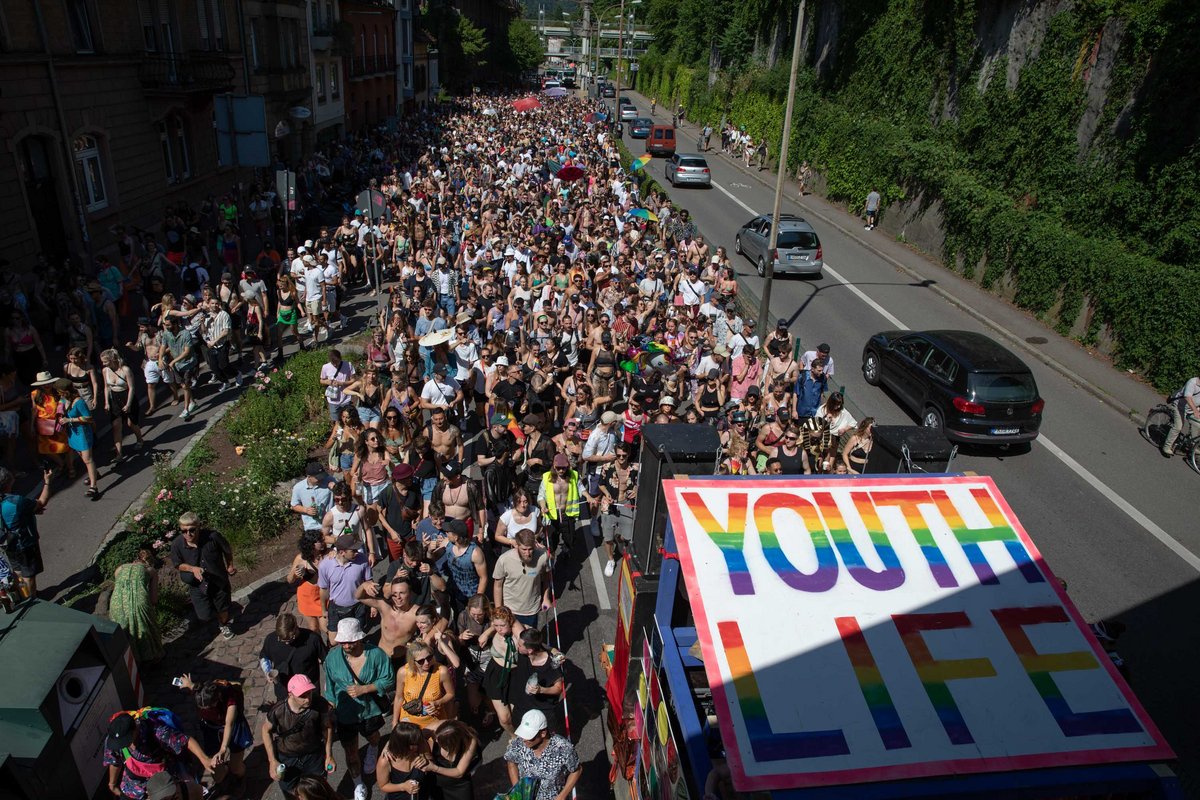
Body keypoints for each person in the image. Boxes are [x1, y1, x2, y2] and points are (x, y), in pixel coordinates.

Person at [324, 617, 395, 800]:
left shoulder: (376, 654)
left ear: (360, 638)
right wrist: (330, 707)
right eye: (343, 642)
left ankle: (373, 747)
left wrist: (366, 688)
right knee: (351, 752)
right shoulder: (332, 657)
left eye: (351, 641)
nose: (346, 646)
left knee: (373, 736)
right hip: (346, 714)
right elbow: (330, 685)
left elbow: (389, 679)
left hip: (370, 710)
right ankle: (358, 784)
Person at [104, 710, 212, 800]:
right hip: (133, 790)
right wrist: (112, 784)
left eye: (126, 741)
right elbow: (114, 760)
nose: (123, 745)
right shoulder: (115, 739)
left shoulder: (157, 732)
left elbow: (185, 741)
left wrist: (205, 759)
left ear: (134, 731)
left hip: (163, 787)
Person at [262, 674, 337, 800]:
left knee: (317, 790)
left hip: (313, 756)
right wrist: (272, 761)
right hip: (288, 758)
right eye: (302, 696)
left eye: (309, 693)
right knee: (290, 792)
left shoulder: (319, 704)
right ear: (291, 694)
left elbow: (327, 728)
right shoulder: (278, 710)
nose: (307, 699)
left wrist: (329, 756)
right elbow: (265, 730)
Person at [176, 674, 252, 793]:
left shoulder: (229, 697)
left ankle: (240, 778)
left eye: (209, 708)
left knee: (236, 768)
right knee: (217, 775)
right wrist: (188, 684)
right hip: (212, 731)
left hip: (233, 728)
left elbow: (229, 724)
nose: (206, 710)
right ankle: (225, 772)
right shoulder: (199, 692)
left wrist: (222, 749)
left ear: (217, 699)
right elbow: (193, 686)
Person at [168, 512, 236, 640]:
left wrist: (230, 565)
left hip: (218, 581)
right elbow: (177, 565)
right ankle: (215, 612)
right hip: (197, 585)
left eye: (192, 530)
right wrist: (192, 569)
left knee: (223, 609)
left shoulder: (213, 537)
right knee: (204, 615)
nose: (188, 534)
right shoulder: (177, 544)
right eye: (184, 531)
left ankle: (223, 624)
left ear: (199, 527)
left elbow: (227, 550)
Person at [504, 709, 582, 800]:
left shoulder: (563, 748)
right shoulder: (519, 743)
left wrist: (562, 796)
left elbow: (577, 770)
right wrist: (517, 790)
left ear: (543, 733)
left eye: (529, 736)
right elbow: (511, 761)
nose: (524, 739)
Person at [0, 465, 53, 598]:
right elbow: (42, 502)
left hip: (7, 543)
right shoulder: (16, 502)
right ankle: (31, 599)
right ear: (8, 482)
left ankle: (23, 594)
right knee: (29, 575)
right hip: (24, 543)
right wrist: (47, 481)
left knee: (17, 571)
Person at [109, 548, 164, 663]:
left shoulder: (120, 568)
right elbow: (154, 599)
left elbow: (118, 588)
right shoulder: (150, 570)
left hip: (117, 602)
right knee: (145, 627)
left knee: (123, 630)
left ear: (135, 560)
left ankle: (128, 661)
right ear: (150, 561)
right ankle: (150, 658)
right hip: (139, 602)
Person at [317, 533, 373, 644]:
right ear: (342, 552)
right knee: (333, 641)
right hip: (336, 607)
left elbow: (369, 582)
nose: (357, 552)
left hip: (357, 606)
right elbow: (323, 590)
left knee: (357, 639)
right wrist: (324, 610)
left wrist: (373, 605)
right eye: (353, 550)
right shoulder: (325, 565)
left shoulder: (362, 560)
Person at [510, 628, 566, 735]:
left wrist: (541, 690)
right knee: (521, 734)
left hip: (543, 709)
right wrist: (554, 649)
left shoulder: (551, 663)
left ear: (530, 650)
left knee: (545, 737)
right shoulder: (524, 652)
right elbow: (513, 622)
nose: (517, 646)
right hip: (521, 705)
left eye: (520, 645)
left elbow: (558, 688)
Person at [260, 612, 326, 704]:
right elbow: (264, 656)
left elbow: (326, 660)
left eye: (290, 638)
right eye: (282, 640)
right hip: (283, 690)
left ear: (296, 627)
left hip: (307, 692)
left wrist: (329, 682)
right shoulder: (271, 639)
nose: (287, 643)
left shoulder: (313, 639)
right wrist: (267, 671)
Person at [480, 606, 526, 735]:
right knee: (504, 718)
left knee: (518, 716)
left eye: (502, 625)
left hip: (515, 676)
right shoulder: (495, 629)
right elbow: (495, 625)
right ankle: (513, 737)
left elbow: (535, 644)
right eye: (496, 625)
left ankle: (524, 739)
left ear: (510, 622)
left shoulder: (520, 633)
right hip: (496, 673)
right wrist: (486, 633)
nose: (499, 629)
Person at [392, 640, 455, 730]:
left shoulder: (441, 671)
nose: (426, 663)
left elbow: (451, 694)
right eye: (421, 661)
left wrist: (437, 702)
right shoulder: (403, 672)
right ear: (412, 661)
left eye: (429, 658)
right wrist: (394, 721)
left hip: (434, 721)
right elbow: (399, 698)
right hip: (409, 720)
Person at [493, 530, 550, 628]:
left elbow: (546, 578)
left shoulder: (543, 556)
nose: (527, 553)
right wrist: (498, 610)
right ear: (517, 545)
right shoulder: (504, 560)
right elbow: (498, 585)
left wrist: (546, 598)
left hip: (531, 609)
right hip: (510, 610)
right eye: (524, 549)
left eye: (530, 549)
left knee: (528, 641)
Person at [597, 441, 638, 576]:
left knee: (628, 535)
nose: (621, 458)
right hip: (609, 505)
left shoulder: (634, 468)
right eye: (618, 455)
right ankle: (610, 559)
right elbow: (601, 484)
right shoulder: (607, 467)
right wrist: (607, 494)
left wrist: (636, 489)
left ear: (629, 455)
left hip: (626, 504)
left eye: (624, 456)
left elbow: (641, 483)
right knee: (607, 537)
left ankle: (619, 539)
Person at [101, 349, 146, 462]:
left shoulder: (125, 370)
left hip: (127, 397)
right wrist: (106, 402)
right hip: (114, 399)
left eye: (105, 361)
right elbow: (106, 387)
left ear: (112, 360)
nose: (103, 364)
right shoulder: (105, 370)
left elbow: (131, 388)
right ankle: (119, 454)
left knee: (131, 423)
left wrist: (128, 404)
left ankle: (140, 439)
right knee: (116, 426)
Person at [60, 378, 100, 498]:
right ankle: (95, 473)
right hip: (73, 433)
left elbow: (88, 418)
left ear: (65, 391)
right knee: (83, 457)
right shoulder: (64, 400)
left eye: (59, 391)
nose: (58, 394)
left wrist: (70, 419)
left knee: (88, 459)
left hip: (82, 433)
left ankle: (94, 487)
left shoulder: (79, 402)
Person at [423, 720, 479, 800]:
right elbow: (417, 740)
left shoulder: (469, 741)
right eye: (436, 740)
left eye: (442, 744)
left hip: (459, 784)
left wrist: (434, 768)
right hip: (437, 781)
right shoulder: (433, 728)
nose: (436, 742)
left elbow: (459, 772)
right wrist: (427, 755)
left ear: (454, 744)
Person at [538, 453, 582, 555]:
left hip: (567, 514)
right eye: (558, 468)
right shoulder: (547, 477)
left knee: (570, 539)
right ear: (554, 466)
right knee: (550, 542)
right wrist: (543, 506)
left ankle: (566, 548)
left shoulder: (573, 475)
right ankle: (551, 560)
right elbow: (541, 495)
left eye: (564, 468)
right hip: (552, 516)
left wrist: (589, 497)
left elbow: (580, 487)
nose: (561, 470)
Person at [375, 722, 429, 800]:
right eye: (414, 744)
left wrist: (426, 761)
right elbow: (383, 786)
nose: (418, 744)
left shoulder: (420, 744)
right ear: (403, 745)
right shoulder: (386, 760)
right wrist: (403, 786)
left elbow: (431, 761)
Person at [30, 371, 70, 475]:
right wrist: (32, 426)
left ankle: (69, 466)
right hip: (44, 424)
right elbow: (34, 410)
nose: (46, 385)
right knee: (45, 448)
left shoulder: (58, 392)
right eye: (44, 383)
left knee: (64, 446)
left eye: (48, 383)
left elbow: (65, 406)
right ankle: (62, 464)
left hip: (58, 423)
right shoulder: (34, 394)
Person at [160, 314, 198, 420]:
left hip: (188, 363)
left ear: (175, 324)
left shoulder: (185, 334)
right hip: (177, 365)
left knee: (185, 386)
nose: (166, 327)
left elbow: (187, 351)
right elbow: (163, 346)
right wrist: (160, 359)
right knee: (183, 386)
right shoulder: (167, 334)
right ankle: (193, 402)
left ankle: (186, 410)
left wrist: (173, 361)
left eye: (168, 325)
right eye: (165, 325)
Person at [1162, 375, 1200, 456]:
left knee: (1197, 425)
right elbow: (1187, 397)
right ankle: (1167, 447)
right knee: (1178, 426)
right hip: (1180, 407)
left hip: (1192, 409)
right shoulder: (1192, 382)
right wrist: (1195, 410)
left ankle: (1191, 445)